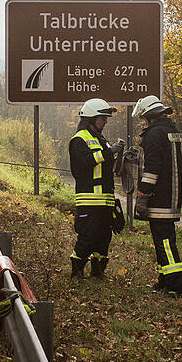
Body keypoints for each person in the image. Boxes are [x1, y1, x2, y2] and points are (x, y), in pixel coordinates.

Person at [132, 95, 182, 297]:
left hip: (159, 198)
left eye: (144, 118)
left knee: (164, 242)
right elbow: (179, 164)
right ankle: (164, 281)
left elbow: (152, 170)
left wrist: (143, 195)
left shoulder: (154, 135)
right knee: (163, 241)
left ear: (149, 116)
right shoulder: (177, 133)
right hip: (173, 196)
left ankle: (174, 286)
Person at [69, 98, 123, 279]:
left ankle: (98, 270)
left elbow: (109, 168)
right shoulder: (79, 140)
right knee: (88, 236)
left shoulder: (102, 140)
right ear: (91, 118)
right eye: (103, 118)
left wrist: (123, 157)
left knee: (104, 237)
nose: (105, 122)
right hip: (89, 199)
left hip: (106, 200)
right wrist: (109, 151)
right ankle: (77, 269)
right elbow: (84, 163)